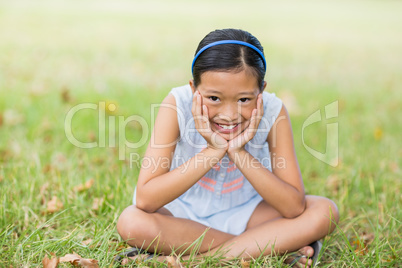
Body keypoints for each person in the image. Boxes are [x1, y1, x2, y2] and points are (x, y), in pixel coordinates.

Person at [116, 28, 339, 267]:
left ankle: (197, 260)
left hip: (247, 213)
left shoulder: (274, 111)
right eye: (214, 98)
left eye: (244, 100)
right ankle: (268, 248)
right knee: (132, 222)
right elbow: (146, 200)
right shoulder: (176, 104)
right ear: (194, 89)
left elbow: (294, 206)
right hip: (180, 215)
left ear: (261, 90)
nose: (229, 115)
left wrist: (238, 152)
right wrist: (213, 151)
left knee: (325, 210)